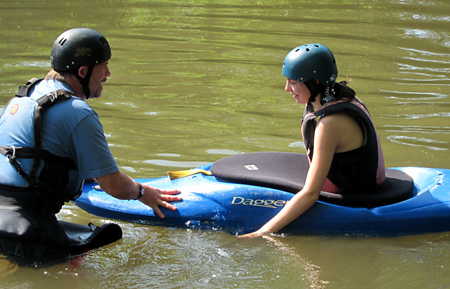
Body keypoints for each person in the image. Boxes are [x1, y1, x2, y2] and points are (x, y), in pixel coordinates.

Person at [0, 28, 182, 262]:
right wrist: (144, 193)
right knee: (82, 262)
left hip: (8, 218)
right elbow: (113, 185)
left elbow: (33, 155)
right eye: (103, 66)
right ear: (83, 71)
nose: (108, 74)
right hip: (25, 230)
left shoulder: (24, 96)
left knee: (90, 244)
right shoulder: (78, 113)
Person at [239, 43, 385, 238]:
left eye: (292, 82)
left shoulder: (331, 123)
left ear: (314, 82)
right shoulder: (342, 97)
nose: (286, 88)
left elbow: (311, 194)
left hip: (355, 197)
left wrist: (262, 233)